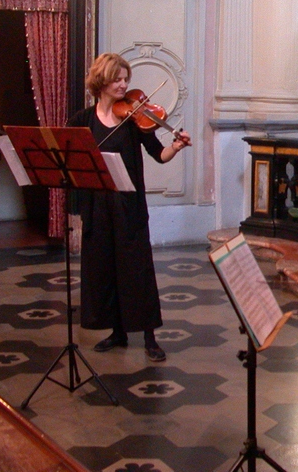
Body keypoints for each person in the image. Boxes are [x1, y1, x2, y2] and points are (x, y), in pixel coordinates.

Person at [68, 53, 191, 363]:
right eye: (117, 79)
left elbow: (159, 154)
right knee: (103, 268)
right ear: (101, 82)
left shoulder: (135, 120)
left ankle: (149, 336)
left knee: (137, 269)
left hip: (128, 205)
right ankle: (117, 332)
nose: (124, 84)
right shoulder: (82, 120)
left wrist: (175, 147)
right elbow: (73, 162)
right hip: (97, 206)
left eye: (126, 78)